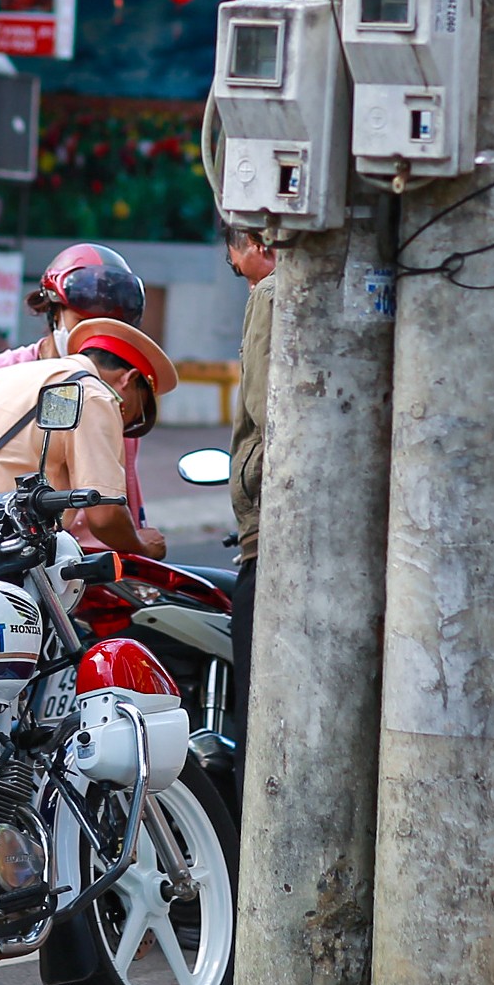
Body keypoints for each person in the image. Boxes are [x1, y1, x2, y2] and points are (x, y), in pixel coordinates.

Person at [0, 315, 169, 591]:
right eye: (135, 411)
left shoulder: (3, 377)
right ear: (128, 380)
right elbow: (105, 515)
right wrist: (143, 545)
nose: (124, 422)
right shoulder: (93, 392)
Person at [0, 242, 154, 522]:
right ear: (53, 312)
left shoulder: (117, 390)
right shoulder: (3, 372)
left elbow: (121, 493)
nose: (93, 336)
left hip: (90, 555)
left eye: (108, 327)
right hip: (9, 545)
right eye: (83, 322)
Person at [223, 223, 274, 744]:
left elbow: (264, 409)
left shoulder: (271, 294)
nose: (244, 282)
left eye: (237, 267)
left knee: (257, 716)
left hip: (271, 528)